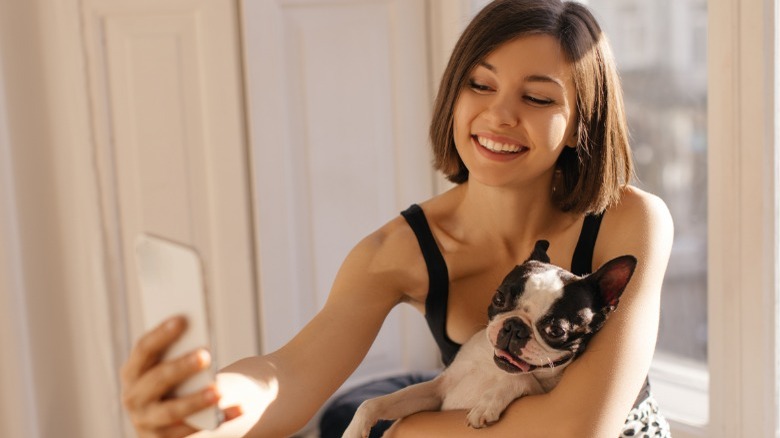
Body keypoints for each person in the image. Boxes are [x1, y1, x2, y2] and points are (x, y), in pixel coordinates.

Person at [120, 0, 674, 436]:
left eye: (537, 97)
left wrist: (401, 430)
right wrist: (215, 403)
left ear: (582, 123)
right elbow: (288, 373)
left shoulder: (631, 221)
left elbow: (577, 429)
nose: (500, 114)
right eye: (480, 84)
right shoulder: (399, 251)